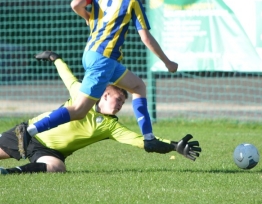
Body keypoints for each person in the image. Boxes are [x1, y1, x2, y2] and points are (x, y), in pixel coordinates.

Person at [17, 0, 178, 158]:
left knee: (138, 86)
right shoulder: (132, 0)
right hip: (104, 59)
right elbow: (145, 37)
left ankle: (149, 137)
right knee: (78, 110)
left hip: (95, 55)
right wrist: (167, 62)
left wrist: (87, 17)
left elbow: (75, 4)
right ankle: (30, 131)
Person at [0, 51, 200, 174]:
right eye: (118, 98)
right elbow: (68, 77)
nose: (121, 103)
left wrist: (174, 146)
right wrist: (55, 58)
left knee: (57, 168)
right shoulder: (82, 94)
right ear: (104, 94)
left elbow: (141, 141)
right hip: (28, 132)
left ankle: (8, 173)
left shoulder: (110, 126)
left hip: (51, 152)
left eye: (123, 101)